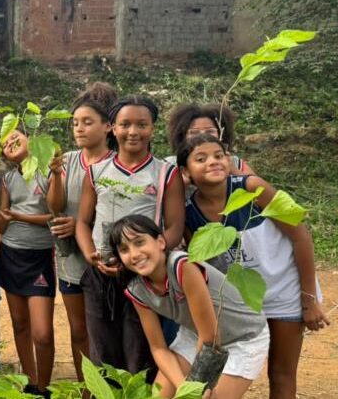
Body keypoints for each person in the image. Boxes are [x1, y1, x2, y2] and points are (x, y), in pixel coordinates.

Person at [178, 134, 329, 399]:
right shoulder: (189, 212)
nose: (213, 162)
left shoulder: (251, 188)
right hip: (242, 301)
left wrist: (309, 299)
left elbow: (300, 235)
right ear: (185, 171)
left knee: (281, 373)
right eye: (200, 159)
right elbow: (202, 265)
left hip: (285, 292)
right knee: (231, 370)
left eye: (218, 155)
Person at [76, 95, 185, 377]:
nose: (133, 131)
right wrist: (91, 254)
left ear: (152, 129)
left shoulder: (164, 173)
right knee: (103, 354)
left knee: (140, 353)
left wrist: (146, 257)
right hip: (101, 274)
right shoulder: (97, 171)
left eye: (142, 124)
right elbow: (82, 222)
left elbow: (174, 228)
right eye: (125, 124)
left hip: (143, 276)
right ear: (113, 127)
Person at [111, 215, 269, 399]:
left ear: (160, 242)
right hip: (195, 335)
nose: (134, 254)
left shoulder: (182, 266)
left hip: (242, 337)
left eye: (139, 242)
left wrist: (194, 389)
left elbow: (211, 338)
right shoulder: (137, 289)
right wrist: (182, 385)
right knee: (159, 396)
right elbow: (158, 348)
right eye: (124, 249)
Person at [45, 83, 115, 380]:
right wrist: (57, 176)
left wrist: (79, 226)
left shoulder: (117, 163)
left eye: (88, 122)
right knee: (78, 330)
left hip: (106, 259)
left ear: (108, 127)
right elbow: (55, 206)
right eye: (75, 123)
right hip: (71, 261)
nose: (79, 129)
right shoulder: (69, 160)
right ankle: (86, 387)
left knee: (107, 330)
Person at [0, 128, 54, 397]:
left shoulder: (48, 171)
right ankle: (31, 381)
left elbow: (53, 216)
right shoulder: (7, 178)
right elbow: (2, 224)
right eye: (6, 143)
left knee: (43, 333)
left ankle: (46, 386)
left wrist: (18, 216)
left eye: (17, 138)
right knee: (19, 323)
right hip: (11, 253)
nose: (11, 144)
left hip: (40, 256)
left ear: (31, 139)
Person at [166, 104, 254, 197]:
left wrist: (232, 169)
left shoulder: (235, 162)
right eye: (194, 132)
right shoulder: (170, 165)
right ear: (183, 137)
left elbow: (261, 193)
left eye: (210, 131)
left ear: (221, 134)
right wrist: (181, 184)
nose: (203, 136)